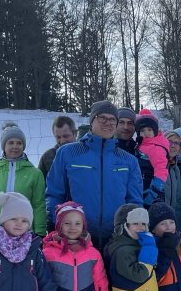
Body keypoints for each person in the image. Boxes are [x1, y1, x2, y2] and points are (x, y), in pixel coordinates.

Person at [45, 101, 143, 249]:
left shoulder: (128, 160)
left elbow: (134, 202)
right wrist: (55, 224)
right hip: (76, 237)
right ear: (92, 121)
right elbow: (55, 193)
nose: (107, 123)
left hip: (117, 239)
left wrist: (134, 233)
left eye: (112, 120)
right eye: (102, 118)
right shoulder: (68, 153)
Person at [0, 123, 47, 235]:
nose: (15, 146)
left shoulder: (35, 174)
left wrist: (40, 232)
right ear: (4, 146)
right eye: (11, 142)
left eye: (19, 143)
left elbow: (39, 206)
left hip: (24, 232)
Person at [135, 109, 170, 206]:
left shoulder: (156, 147)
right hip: (141, 187)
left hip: (152, 191)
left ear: (155, 131)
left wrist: (154, 190)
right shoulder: (142, 145)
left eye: (149, 130)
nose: (146, 133)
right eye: (142, 130)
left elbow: (161, 169)